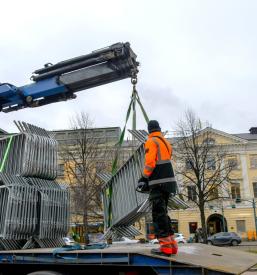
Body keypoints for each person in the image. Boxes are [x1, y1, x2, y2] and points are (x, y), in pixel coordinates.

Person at [138, 120, 178, 256]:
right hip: (169, 182)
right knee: (164, 213)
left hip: (158, 182)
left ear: (149, 130)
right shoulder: (166, 142)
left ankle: (165, 247)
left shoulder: (151, 141)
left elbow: (150, 163)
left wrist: (144, 177)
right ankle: (172, 245)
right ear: (159, 128)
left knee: (158, 214)